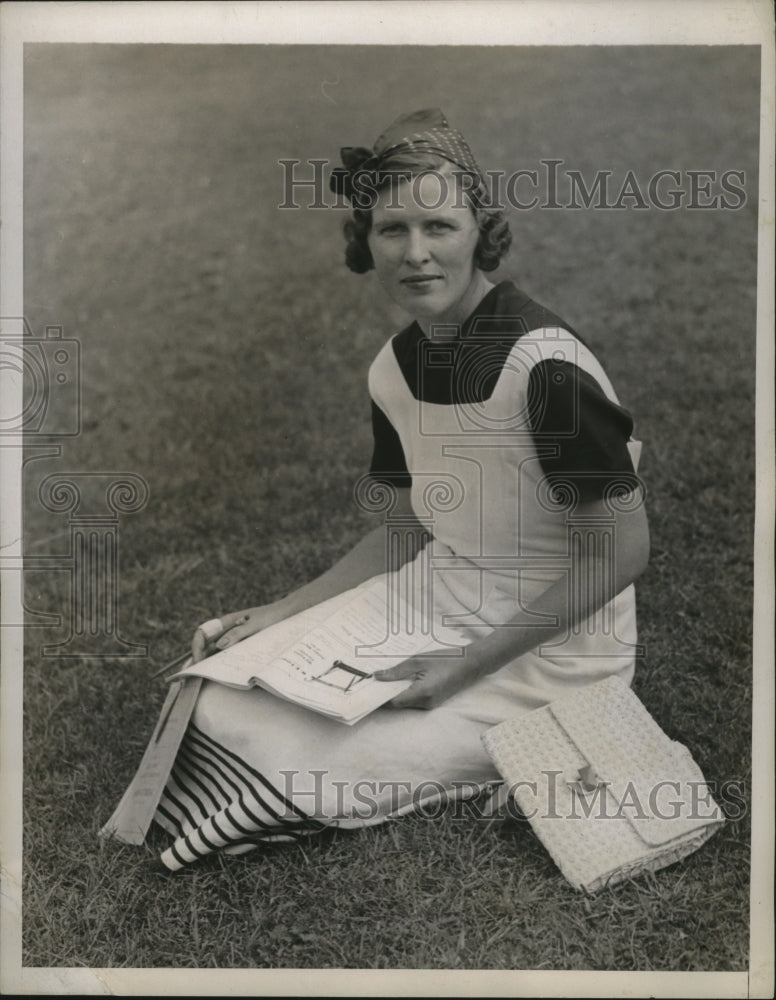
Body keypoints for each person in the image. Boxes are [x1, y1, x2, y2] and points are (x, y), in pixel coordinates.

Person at [113, 109, 649, 871]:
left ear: (480, 233)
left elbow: (621, 554)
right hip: (441, 596)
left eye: (440, 225)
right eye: (392, 229)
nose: (416, 253)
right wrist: (280, 611)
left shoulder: (547, 369)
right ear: (365, 242)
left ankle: (513, 742)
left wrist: (453, 676)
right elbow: (404, 530)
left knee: (300, 756)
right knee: (217, 693)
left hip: (553, 651)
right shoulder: (394, 367)